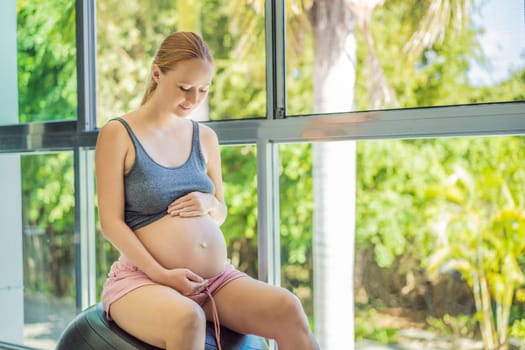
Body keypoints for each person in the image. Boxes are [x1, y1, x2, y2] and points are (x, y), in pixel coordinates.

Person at [95, 31, 320, 350]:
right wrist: (161, 274)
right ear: (157, 73)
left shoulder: (205, 138)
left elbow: (221, 211)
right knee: (189, 320)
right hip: (143, 280)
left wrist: (209, 202)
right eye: (184, 88)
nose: (193, 100)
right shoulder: (118, 134)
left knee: (288, 308)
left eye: (203, 90)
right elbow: (111, 223)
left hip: (215, 281)